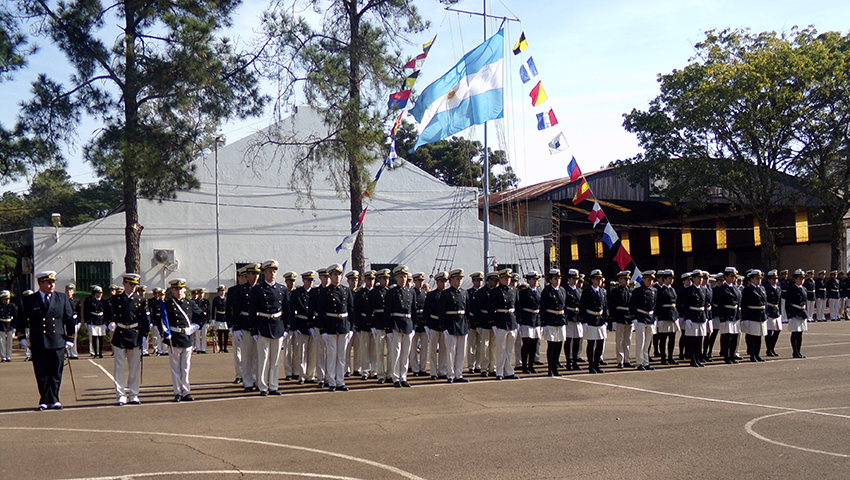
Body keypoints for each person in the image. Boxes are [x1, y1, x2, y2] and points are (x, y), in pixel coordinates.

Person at [18, 271, 75, 410]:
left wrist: (70, 338)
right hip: (39, 341)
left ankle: (55, 398)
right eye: (48, 283)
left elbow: (69, 319)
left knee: (56, 372)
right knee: (41, 372)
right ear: (40, 283)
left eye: (53, 282)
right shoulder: (30, 300)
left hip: (57, 341)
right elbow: (21, 319)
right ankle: (44, 398)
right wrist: (21, 337)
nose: (51, 285)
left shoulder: (61, 298)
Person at [107, 273, 150, 405]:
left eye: (135, 285)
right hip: (120, 333)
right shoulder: (115, 299)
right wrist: (109, 323)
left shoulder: (141, 300)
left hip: (134, 334)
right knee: (119, 367)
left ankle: (133, 394)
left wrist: (144, 335)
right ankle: (120, 395)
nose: (133, 287)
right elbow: (109, 315)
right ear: (124, 284)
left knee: (134, 367)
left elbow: (145, 320)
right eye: (131, 284)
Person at [250, 259, 290, 396]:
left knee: (275, 359)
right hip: (263, 325)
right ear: (264, 273)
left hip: (278, 326)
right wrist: (254, 330)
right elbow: (252, 311)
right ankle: (262, 386)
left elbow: (287, 310)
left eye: (274, 272)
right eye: (269, 272)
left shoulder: (282, 289)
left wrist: (286, 328)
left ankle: (273, 385)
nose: (272, 274)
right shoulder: (257, 289)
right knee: (263, 358)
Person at [317, 264, 354, 392]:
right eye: (335, 275)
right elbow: (321, 312)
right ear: (330, 276)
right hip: (331, 326)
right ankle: (331, 381)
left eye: (339, 275)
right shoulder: (325, 292)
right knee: (332, 356)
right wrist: (323, 330)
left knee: (342, 356)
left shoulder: (346, 291)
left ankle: (341, 381)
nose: (337, 277)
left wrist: (351, 328)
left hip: (343, 325)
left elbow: (351, 310)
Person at [162, 278, 200, 401]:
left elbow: (202, 316)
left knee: (186, 367)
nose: (179, 291)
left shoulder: (190, 303)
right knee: (175, 367)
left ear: (184, 290)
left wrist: (195, 327)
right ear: (172, 290)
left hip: (187, 338)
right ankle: (177, 392)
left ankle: (186, 391)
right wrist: (166, 334)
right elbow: (162, 320)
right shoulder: (167, 305)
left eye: (180, 288)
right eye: (176, 289)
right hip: (175, 338)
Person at [440, 268, 470, 384]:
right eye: (457, 279)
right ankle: (451, 374)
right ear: (451, 280)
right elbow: (441, 311)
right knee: (451, 351)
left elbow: (467, 311)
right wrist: (444, 327)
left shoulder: (464, 292)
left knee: (461, 352)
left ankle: (459, 373)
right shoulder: (446, 294)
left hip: (462, 324)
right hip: (451, 324)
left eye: (461, 279)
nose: (459, 281)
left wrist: (467, 325)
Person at [387, 265, 415, 387]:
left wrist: (413, 327)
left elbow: (413, 311)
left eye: (405, 276)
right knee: (396, 353)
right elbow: (387, 311)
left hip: (408, 324)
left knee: (405, 353)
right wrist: (388, 329)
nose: (403, 279)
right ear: (396, 278)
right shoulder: (391, 292)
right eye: (400, 277)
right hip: (396, 324)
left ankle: (403, 377)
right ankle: (395, 377)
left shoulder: (410, 292)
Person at [490, 268, 519, 380]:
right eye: (505, 278)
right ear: (500, 279)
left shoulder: (514, 290)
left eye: (509, 278)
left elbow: (517, 307)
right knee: (500, 349)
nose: (507, 280)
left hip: (511, 321)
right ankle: (499, 371)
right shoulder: (495, 291)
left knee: (509, 348)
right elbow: (491, 308)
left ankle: (509, 371)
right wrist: (493, 323)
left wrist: (518, 321)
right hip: (501, 322)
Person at [236, 263, 261, 391]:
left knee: (258, 355)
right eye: (252, 274)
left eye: (257, 274)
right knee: (247, 356)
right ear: (247, 275)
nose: (255, 276)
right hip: (245, 325)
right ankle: (247, 382)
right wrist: (236, 328)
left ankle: (258, 380)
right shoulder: (241, 290)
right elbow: (236, 309)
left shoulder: (262, 289)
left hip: (259, 325)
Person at [580, 269, 609, 373]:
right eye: (597, 279)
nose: (599, 281)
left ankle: (597, 364)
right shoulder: (587, 292)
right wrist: (584, 321)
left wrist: (606, 320)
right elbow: (582, 307)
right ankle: (591, 365)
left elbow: (605, 307)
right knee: (591, 343)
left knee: (600, 343)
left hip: (600, 320)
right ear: (592, 280)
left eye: (600, 279)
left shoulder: (603, 292)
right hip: (591, 319)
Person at [225, 266, 249, 385]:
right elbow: (229, 308)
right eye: (243, 276)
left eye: (246, 276)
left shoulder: (251, 289)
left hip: (247, 325)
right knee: (237, 352)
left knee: (248, 353)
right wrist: (230, 325)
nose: (245, 278)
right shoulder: (233, 290)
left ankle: (248, 375)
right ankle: (239, 374)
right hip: (236, 325)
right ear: (238, 277)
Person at [540, 269, 566, 376]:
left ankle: (555, 367)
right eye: (555, 278)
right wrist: (543, 323)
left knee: (559, 345)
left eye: (559, 278)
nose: (558, 280)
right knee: (551, 346)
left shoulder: (562, 290)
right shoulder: (547, 291)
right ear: (550, 280)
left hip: (561, 320)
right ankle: (550, 368)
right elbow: (543, 307)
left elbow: (565, 306)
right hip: (550, 320)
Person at [291, 271, 315, 384]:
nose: (310, 283)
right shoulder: (297, 293)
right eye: (308, 280)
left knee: (312, 352)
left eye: (312, 280)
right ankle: (302, 375)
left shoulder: (316, 293)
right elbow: (292, 311)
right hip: (301, 324)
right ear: (303, 281)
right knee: (302, 352)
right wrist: (295, 327)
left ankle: (311, 375)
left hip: (313, 325)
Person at [680, 271, 707, 367]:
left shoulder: (703, 290)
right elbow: (686, 305)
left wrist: (706, 316)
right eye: (698, 278)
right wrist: (687, 318)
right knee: (692, 340)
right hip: (692, 316)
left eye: (701, 278)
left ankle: (698, 358)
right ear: (694, 279)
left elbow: (705, 304)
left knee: (700, 339)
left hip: (701, 316)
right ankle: (693, 359)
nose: (700, 280)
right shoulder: (689, 290)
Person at [517, 271, 542, 374]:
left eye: (537, 280)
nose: (536, 282)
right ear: (528, 280)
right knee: (526, 344)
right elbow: (519, 308)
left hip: (536, 320)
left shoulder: (538, 292)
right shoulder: (523, 293)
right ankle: (524, 366)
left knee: (534, 344)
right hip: (527, 319)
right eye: (533, 279)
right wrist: (519, 321)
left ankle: (531, 365)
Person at [475, 272, 498, 377]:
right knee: (484, 346)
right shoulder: (481, 292)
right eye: (494, 280)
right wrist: (478, 324)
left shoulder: (497, 291)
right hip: (484, 321)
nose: (496, 283)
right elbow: (477, 309)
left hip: (495, 321)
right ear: (489, 280)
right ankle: (484, 368)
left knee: (494, 346)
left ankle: (492, 367)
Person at [425, 271, 448, 379]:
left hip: (445, 326)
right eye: (441, 281)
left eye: (445, 281)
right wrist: (427, 325)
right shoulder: (431, 295)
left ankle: (442, 370)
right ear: (437, 282)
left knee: (444, 349)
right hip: (434, 324)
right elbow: (426, 310)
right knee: (433, 350)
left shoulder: (448, 294)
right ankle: (433, 372)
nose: (443, 284)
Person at [740, 269, 767, 362]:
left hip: (761, 315)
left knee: (759, 336)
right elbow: (744, 304)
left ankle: (757, 354)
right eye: (757, 278)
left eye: (760, 278)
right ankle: (752, 355)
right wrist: (745, 318)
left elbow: (765, 302)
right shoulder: (747, 289)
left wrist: (765, 315)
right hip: (752, 315)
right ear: (751, 279)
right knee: (752, 337)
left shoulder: (762, 289)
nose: (759, 280)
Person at [609, 270, 633, 368]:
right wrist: (613, 319)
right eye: (625, 279)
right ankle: (620, 360)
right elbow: (612, 306)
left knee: (628, 340)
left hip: (629, 317)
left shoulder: (631, 291)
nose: (627, 281)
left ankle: (627, 359)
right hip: (620, 317)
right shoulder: (615, 291)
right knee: (620, 340)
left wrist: (634, 317)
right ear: (620, 280)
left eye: (628, 279)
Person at [655, 270, 679, 365]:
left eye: (672, 278)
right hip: (664, 316)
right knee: (663, 339)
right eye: (669, 278)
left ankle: (670, 357)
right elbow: (658, 305)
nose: (671, 280)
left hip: (672, 316)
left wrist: (676, 316)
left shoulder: (672, 289)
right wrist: (659, 317)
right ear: (664, 279)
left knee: (672, 338)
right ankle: (663, 357)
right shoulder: (660, 291)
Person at [355, 270, 375, 380]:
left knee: (375, 349)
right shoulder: (360, 294)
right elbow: (357, 311)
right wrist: (357, 326)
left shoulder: (377, 292)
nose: (371, 281)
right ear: (365, 280)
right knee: (364, 349)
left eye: (372, 279)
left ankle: (374, 370)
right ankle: (365, 371)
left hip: (375, 324)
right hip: (363, 323)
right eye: (369, 279)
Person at [785, 269, 808, 358]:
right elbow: (788, 303)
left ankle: (799, 351)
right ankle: (795, 351)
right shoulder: (791, 289)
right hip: (794, 312)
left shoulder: (804, 289)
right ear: (795, 279)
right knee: (795, 333)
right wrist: (789, 316)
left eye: (803, 278)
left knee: (800, 333)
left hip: (802, 312)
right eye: (799, 278)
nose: (801, 280)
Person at [409, 272, 429, 377]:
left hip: (423, 321)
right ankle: (415, 368)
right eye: (418, 281)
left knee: (424, 347)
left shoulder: (425, 294)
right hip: (414, 321)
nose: (420, 283)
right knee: (413, 348)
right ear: (414, 281)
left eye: (422, 281)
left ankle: (423, 368)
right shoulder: (411, 292)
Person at [564, 269, 583, 371]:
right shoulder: (565, 290)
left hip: (578, 317)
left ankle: (575, 361)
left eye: (576, 279)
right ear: (569, 279)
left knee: (577, 340)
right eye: (573, 279)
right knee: (568, 340)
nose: (575, 281)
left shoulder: (579, 291)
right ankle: (568, 361)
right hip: (569, 317)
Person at [466, 272, 484, 375]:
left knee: (480, 346)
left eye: (480, 280)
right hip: (472, 322)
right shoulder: (469, 293)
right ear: (473, 281)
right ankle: (471, 365)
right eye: (477, 280)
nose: (479, 282)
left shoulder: (483, 292)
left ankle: (478, 365)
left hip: (481, 322)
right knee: (471, 346)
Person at [84, 286, 107, 358]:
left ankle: (100, 353)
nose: (100, 294)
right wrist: (87, 321)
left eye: (101, 293)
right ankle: (95, 353)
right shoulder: (89, 301)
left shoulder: (103, 301)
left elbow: (106, 312)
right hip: (93, 319)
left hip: (101, 320)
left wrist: (106, 321)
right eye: (98, 293)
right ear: (94, 293)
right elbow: (86, 311)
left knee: (101, 337)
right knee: (94, 337)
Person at [764, 270, 782, 357]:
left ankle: (772, 347)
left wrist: (780, 312)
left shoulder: (778, 288)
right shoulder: (766, 288)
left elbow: (779, 301)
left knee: (778, 330)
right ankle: (769, 349)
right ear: (769, 280)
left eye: (776, 279)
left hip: (776, 310)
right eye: (773, 279)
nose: (775, 281)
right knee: (769, 331)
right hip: (769, 311)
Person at [0, 290, 21, 362]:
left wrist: (14, 326)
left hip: (10, 324)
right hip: (1, 324)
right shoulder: (0, 307)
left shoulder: (12, 306)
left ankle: (8, 356)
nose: (6, 301)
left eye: (7, 299)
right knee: (1, 341)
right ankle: (3, 356)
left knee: (9, 342)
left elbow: (15, 316)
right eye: (4, 299)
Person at [191, 288, 210, 353]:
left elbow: (208, 311)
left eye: (202, 293)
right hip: (197, 321)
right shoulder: (195, 302)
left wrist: (208, 321)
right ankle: (198, 348)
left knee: (204, 335)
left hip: (204, 320)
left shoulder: (206, 302)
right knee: (197, 335)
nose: (201, 295)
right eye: (200, 293)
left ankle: (203, 349)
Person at [65, 284, 81, 360]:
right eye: (67, 290)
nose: (69, 292)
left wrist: (79, 321)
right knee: (66, 338)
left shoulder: (76, 301)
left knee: (73, 338)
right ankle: (67, 353)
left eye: (70, 290)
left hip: (74, 321)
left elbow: (79, 312)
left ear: (73, 292)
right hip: (65, 322)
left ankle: (74, 353)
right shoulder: (64, 300)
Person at [213, 285, 229, 353]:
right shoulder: (216, 299)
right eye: (221, 291)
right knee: (220, 333)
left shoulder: (227, 299)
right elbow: (213, 309)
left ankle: (225, 348)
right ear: (218, 291)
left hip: (226, 317)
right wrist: (213, 319)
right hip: (219, 317)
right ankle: (221, 348)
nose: (223, 292)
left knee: (226, 333)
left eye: (224, 291)